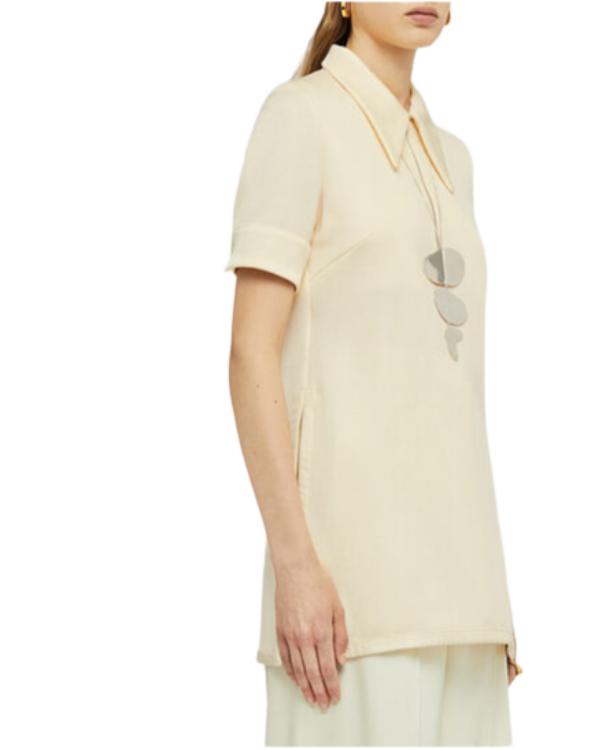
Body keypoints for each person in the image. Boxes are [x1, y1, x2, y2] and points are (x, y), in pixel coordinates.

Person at [226, 2, 521, 745]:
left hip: (466, 604)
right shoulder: (300, 119)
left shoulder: (454, 159)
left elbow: (453, 398)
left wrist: (493, 604)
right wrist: (295, 566)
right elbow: (250, 352)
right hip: (350, 607)